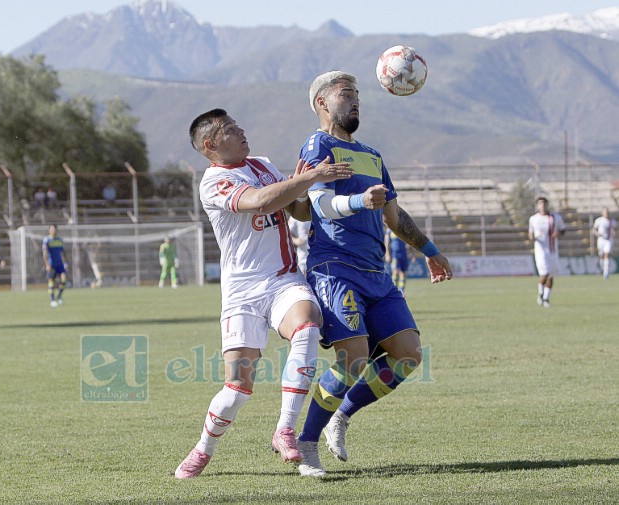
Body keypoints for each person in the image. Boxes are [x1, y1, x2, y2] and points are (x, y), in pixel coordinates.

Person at [174, 108, 353, 479]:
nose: (241, 131)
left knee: (307, 325)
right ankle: (203, 450)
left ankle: (284, 429)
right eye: (229, 130)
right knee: (238, 386)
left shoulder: (264, 164)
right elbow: (260, 202)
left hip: (283, 279)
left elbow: (296, 211)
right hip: (241, 292)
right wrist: (310, 176)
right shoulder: (214, 181)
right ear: (210, 145)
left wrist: (307, 186)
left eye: (239, 125)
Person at [295, 71, 453, 478]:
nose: (355, 101)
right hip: (335, 269)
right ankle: (307, 444)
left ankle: (341, 416)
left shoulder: (373, 155)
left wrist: (430, 251)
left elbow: (394, 216)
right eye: (346, 94)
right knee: (354, 359)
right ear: (322, 104)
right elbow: (322, 206)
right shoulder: (319, 145)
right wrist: (359, 200)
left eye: (358, 96)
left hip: (376, 274)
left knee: (408, 356)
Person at [528, 196, 566, 307]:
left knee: (551, 275)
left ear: (547, 205)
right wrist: (532, 237)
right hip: (540, 250)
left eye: (544, 204)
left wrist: (558, 234)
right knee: (544, 273)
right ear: (537, 206)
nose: (542, 206)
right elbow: (530, 233)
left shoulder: (555, 217)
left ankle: (545, 298)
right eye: (540, 204)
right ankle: (541, 293)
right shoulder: (533, 219)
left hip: (553, 250)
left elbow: (563, 230)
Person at [42, 224, 68, 307]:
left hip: (60, 264)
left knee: (64, 279)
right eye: (52, 229)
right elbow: (45, 253)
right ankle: (52, 300)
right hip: (51, 264)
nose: (54, 230)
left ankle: (59, 297)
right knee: (51, 281)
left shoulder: (59, 240)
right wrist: (47, 264)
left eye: (55, 229)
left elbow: (63, 252)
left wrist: (65, 262)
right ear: (49, 230)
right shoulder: (47, 240)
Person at [592, 207, 616, 280]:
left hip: (608, 240)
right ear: (602, 213)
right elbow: (593, 230)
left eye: (607, 212)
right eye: (605, 212)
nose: (606, 213)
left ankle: (606, 273)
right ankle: (603, 269)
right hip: (601, 240)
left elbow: (614, 230)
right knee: (601, 256)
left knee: (607, 255)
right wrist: (597, 234)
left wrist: (613, 233)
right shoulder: (599, 220)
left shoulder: (612, 221)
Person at [385, 227, 410, 294]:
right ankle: (394, 290)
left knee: (403, 273)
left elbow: (409, 241)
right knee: (395, 271)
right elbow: (387, 242)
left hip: (403, 254)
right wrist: (387, 254)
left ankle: (401, 290)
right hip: (395, 254)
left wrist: (412, 253)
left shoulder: (403, 229)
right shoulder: (389, 230)